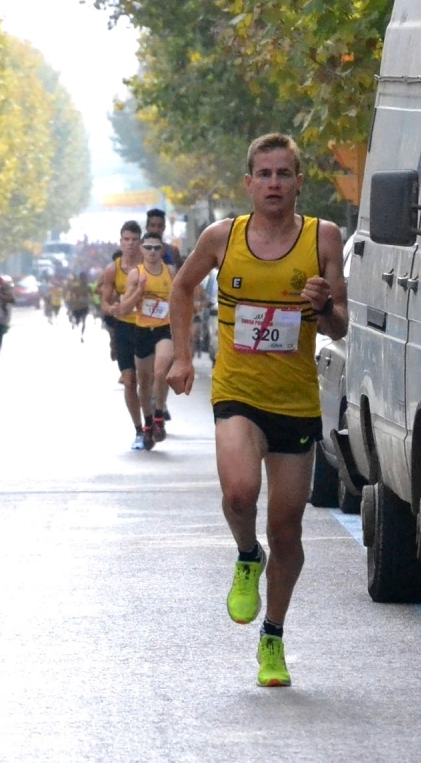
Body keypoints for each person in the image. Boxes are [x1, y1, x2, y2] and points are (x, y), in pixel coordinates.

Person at [166, 133, 347, 688]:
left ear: (298, 181)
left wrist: (323, 305)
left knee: (287, 528)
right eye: (263, 174)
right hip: (238, 391)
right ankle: (247, 555)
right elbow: (180, 288)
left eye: (283, 174)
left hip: (294, 400)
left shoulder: (324, 237)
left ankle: (273, 634)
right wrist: (179, 356)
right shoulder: (223, 237)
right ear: (248, 183)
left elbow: (340, 323)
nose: (273, 184)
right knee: (239, 495)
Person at [113, 232, 175, 448]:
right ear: (141, 249)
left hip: (164, 329)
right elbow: (124, 309)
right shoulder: (135, 274)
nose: (152, 252)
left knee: (161, 372)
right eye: (147, 247)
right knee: (144, 381)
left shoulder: (170, 272)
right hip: (141, 330)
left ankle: (159, 415)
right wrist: (139, 290)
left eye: (156, 248)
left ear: (163, 251)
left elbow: (182, 299)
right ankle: (147, 424)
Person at [100, 221, 145, 448]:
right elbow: (105, 301)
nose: (130, 244)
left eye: (134, 240)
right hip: (124, 329)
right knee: (129, 382)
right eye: (126, 240)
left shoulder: (149, 265)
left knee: (147, 380)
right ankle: (138, 430)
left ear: (140, 242)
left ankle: (153, 416)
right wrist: (111, 309)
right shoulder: (113, 269)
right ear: (121, 241)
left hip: (148, 328)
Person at [146, 207, 183, 273]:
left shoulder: (173, 251)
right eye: (153, 225)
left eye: (160, 226)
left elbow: (182, 274)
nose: (156, 230)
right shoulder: (139, 251)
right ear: (147, 227)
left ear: (164, 228)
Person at [66, 271, 92, 341]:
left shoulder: (88, 287)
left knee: (84, 321)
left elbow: (91, 296)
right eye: (83, 278)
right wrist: (73, 300)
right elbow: (71, 293)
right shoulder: (76, 287)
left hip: (85, 307)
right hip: (77, 307)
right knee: (78, 321)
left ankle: (82, 336)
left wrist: (88, 301)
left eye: (85, 278)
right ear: (80, 279)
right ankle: (75, 322)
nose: (84, 279)